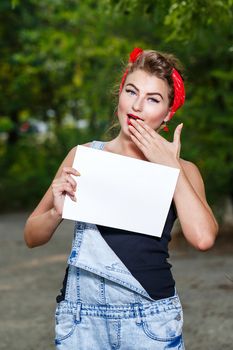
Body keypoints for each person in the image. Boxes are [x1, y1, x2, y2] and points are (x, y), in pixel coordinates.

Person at [24, 48, 218, 349]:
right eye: (132, 91)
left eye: (153, 99)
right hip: (81, 322)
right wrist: (56, 212)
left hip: (151, 321)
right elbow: (31, 236)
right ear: (120, 96)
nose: (137, 106)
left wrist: (172, 168)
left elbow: (203, 238)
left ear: (168, 113)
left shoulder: (185, 171)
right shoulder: (84, 155)